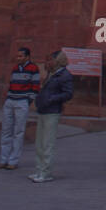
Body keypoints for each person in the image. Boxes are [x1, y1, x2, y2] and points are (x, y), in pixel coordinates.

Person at [28, 50, 74, 182]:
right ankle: (39, 169)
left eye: (50, 60)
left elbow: (68, 93)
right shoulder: (52, 73)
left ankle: (45, 172)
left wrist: (51, 98)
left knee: (48, 143)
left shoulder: (65, 75)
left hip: (52, 110)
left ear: (57, 60)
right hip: (43, 109)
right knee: (39, 143)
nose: (48, 62)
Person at [0, 47, 40, 170]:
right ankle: (3, 160)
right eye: (18, 56)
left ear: (27, 57)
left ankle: (13, 161)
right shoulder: (15, 68)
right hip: (10, 100)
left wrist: (28, 100)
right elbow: (11, 84)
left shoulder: (33, 68)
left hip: (22, 101)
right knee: (6, 130)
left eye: (21, 56)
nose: (18, 58)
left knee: (18, 132)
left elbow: (35, 86)